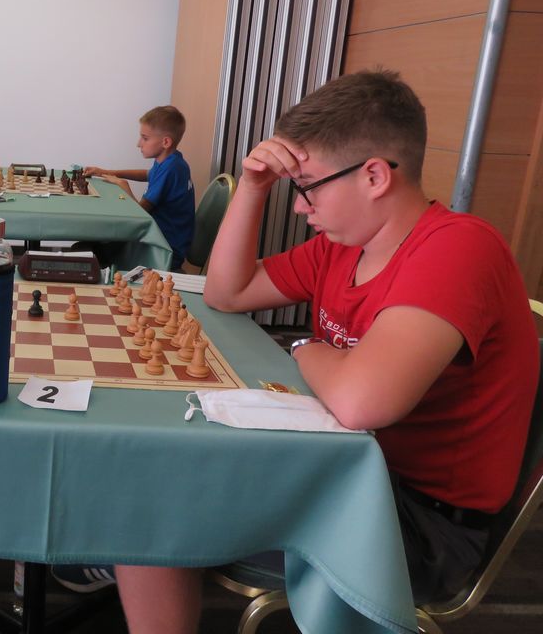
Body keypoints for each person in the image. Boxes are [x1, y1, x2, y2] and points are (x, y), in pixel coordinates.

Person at [115, 70, 539, 633]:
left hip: (414, 521)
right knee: (149, 470)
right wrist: (254, 187)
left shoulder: (459, 247)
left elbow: (362, 402)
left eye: (308, 185)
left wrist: (306, 347)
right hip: (337, 468)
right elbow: (226, 293)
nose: (300, 206)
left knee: (144, 507)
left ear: (374, 176)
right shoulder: (341, 248)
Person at [84, 105, 195, 270]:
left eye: (145, 138)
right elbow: (147, 174)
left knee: (88, 249)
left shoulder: (171, 169)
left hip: (163, 249)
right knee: (90, 245)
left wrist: (124, 186)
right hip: (159, 238)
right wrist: (106, 172)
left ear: (165, 142)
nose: (138, 144)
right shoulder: (172, 161)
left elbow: (140, 214)